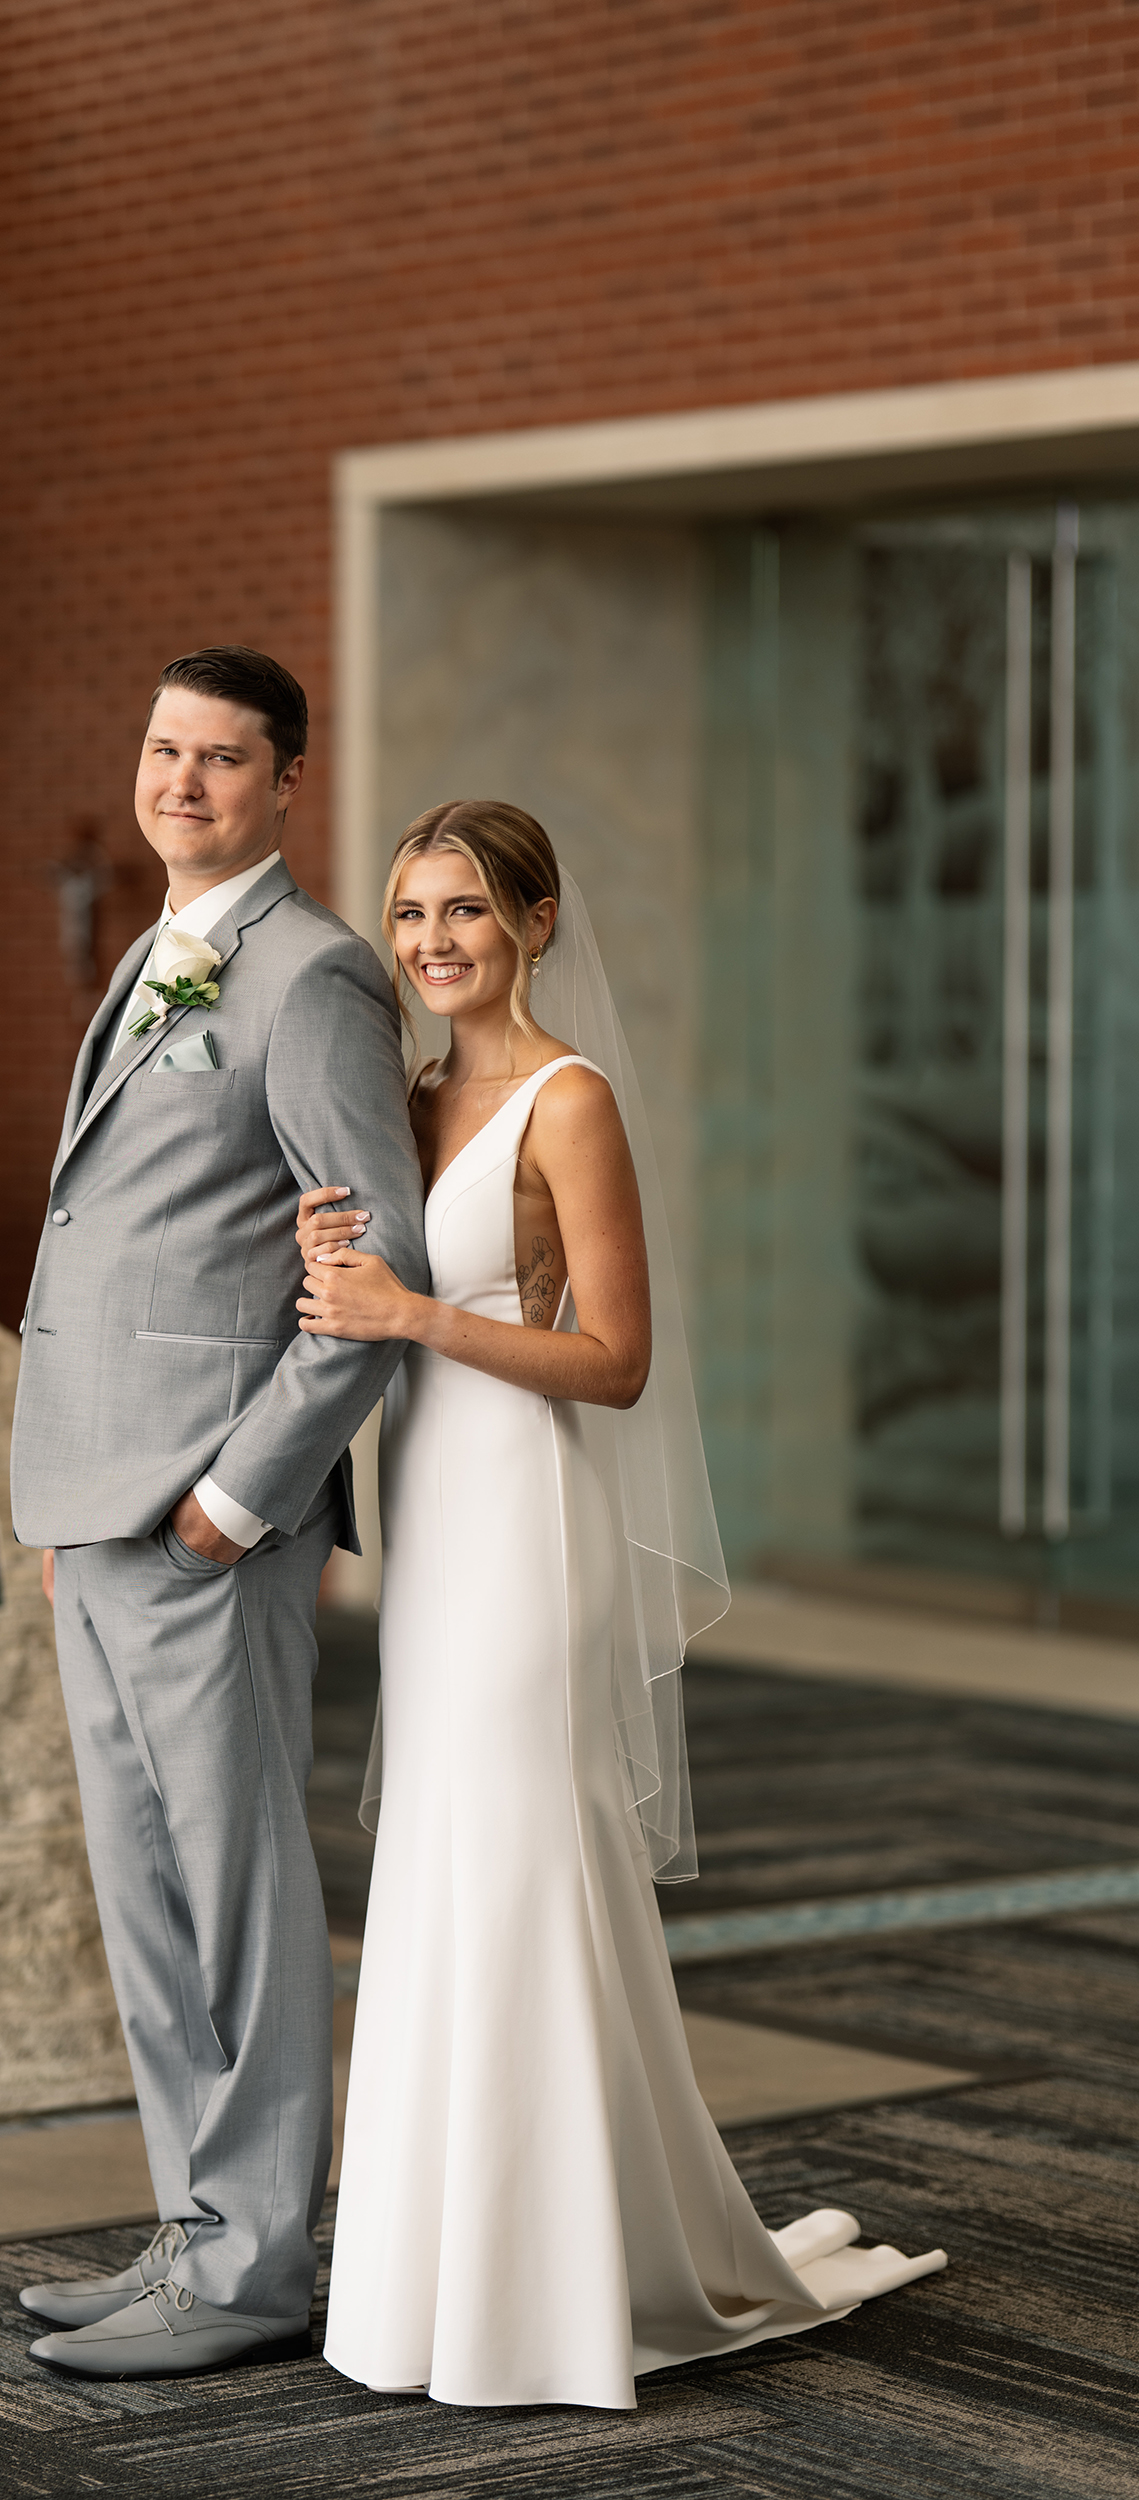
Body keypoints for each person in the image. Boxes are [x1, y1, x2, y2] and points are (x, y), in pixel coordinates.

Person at [296, 799, 946, 2409]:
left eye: (461, 911)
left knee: (522, 1851)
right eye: (407, 916)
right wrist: (331, 1276)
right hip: (432, 1516)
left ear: (535, 915)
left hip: (527, 1514)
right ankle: (438, 2286)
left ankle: (553, 2290)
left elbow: (620, 1362)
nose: (432, 942)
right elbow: (361, 1300)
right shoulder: (406, 1092)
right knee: (446, 1861)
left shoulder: (564, 1100)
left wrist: (413, 1314)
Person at [9, 647, 428, 2379]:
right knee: (146, 1901)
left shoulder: (313, 977)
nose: (183, 781)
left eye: (224, 758)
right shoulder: (154, 953)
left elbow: (378, 1266)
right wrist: (71, 1501)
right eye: (166, 747)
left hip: (201, 1521)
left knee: (240, 1895)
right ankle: (196, 2227)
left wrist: (232, 1506)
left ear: (283, 783)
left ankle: (254, 2263)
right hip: (91, 1509)